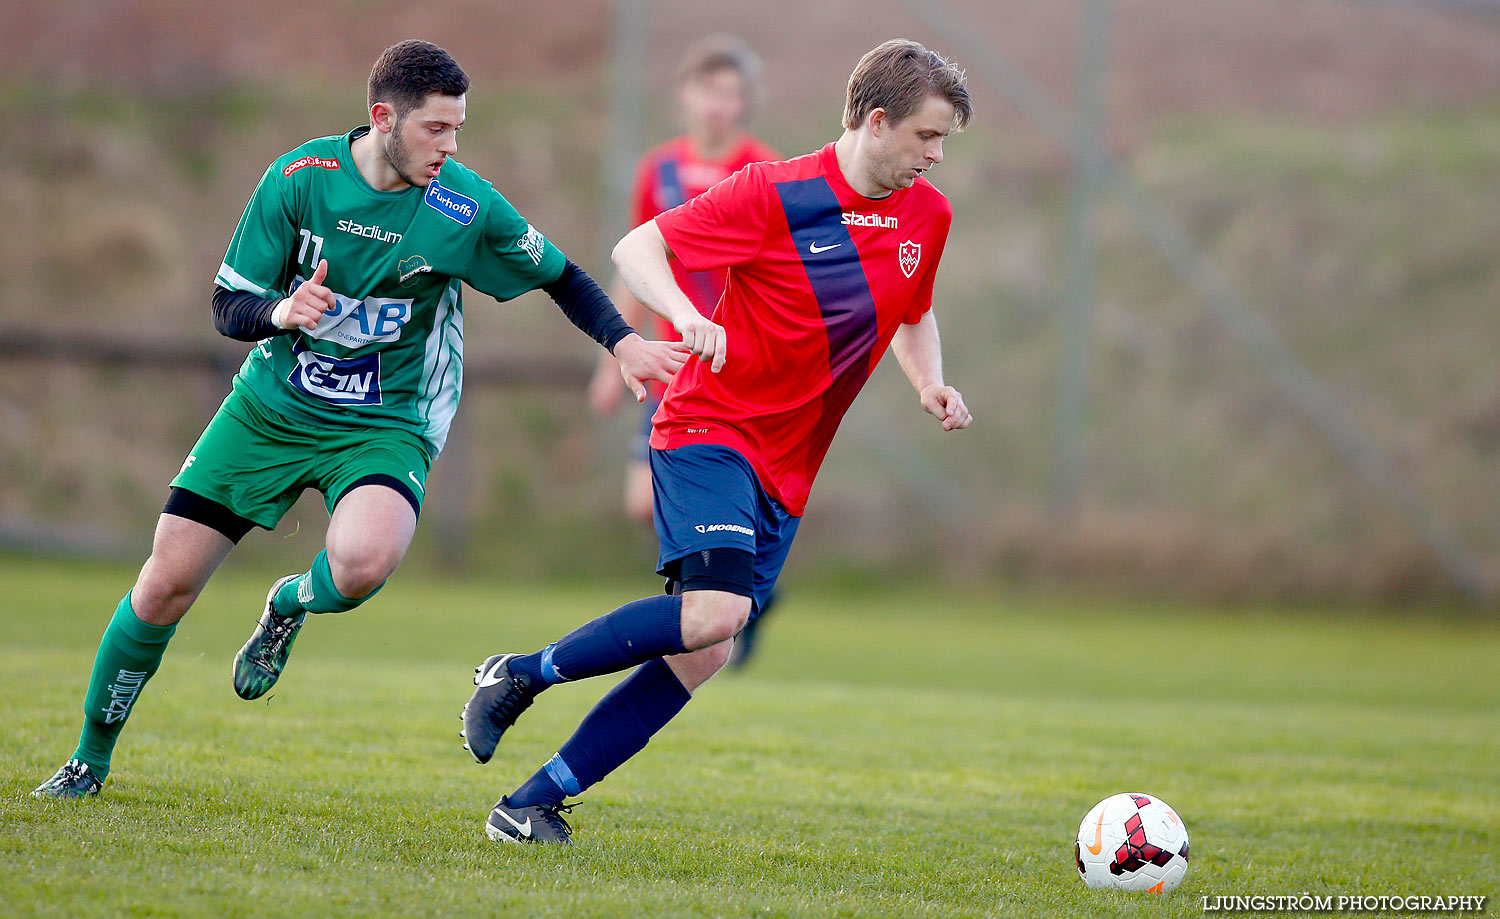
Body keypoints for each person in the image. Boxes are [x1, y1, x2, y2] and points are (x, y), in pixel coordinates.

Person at [32, 39, 684, 799]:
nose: (451, 145)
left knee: (365, 561)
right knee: (164, 585)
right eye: (436, 129)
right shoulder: (299, 181)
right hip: (271, 409)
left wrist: (626, 343)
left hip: (387, 420)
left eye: (458, 128)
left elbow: (561, 275)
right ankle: (88, 760)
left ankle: (289, 601)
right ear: (383, 118)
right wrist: (281, 309)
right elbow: (227, 304)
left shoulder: (462, 205)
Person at [462, 38, 974, 844]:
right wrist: (687, 313)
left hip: (789, 466)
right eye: (928, 137)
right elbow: (639, 248)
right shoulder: (777, 191)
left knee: (707, 650)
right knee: (714, 614)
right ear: (878, 122)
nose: (937, 157)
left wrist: (927, 382)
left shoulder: (927, 215)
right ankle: (521, 673)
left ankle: (531, 802)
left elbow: (913, 309)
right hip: (712, 427)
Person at [587, 36, 783, 669]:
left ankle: (734, 595)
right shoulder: (660, 171)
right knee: (641, 503)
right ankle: (729, 587)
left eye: (731, 93)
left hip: (737, 367)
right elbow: (637, 264)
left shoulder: (765, 171)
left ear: (744, 103)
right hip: (674, 363)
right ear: (686, 97)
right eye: (708, 90)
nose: (718, 105)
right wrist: (616, 352)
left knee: (725, 499)